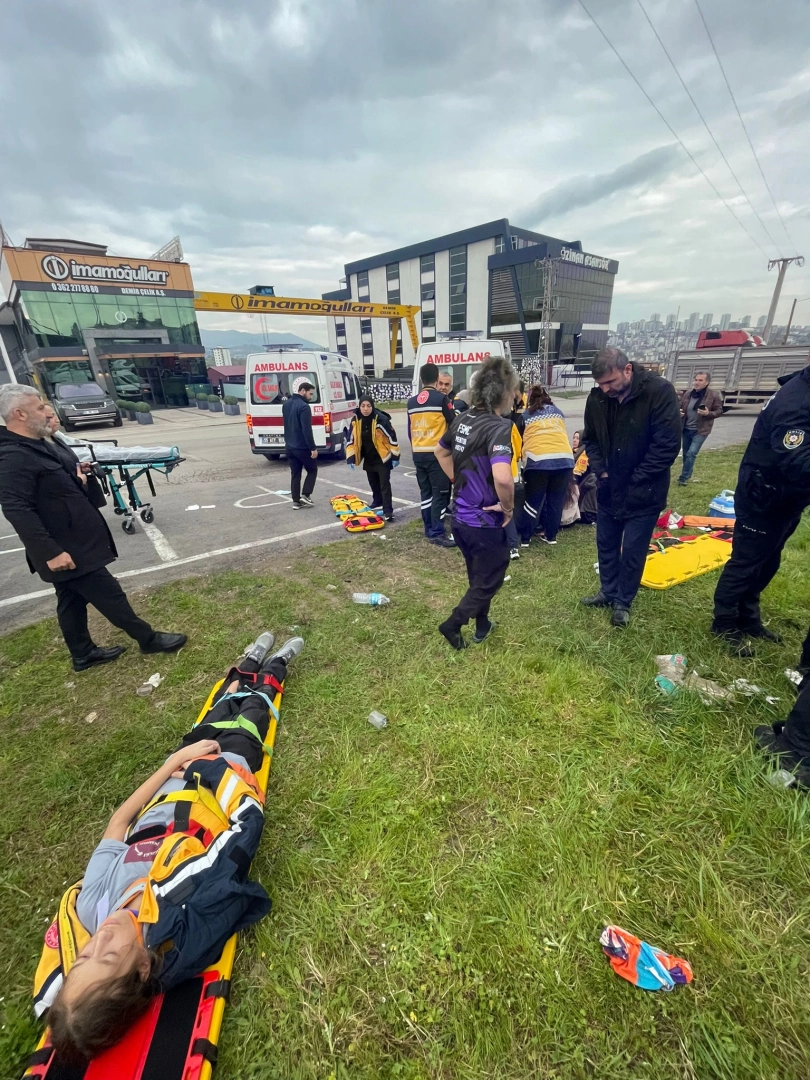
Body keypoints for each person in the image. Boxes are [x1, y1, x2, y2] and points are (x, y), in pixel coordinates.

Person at [35, 631, 305, 1063]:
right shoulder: (179, 916)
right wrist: (211, 772)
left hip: (177, 775)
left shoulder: (93, 905)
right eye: (109, 956)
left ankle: (251, 657)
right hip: (221, 779)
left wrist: (172, 765)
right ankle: (277, 666)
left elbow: (119, 823)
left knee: (222, 704)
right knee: (252, 710)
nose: (101, 937)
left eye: (85, 954)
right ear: (142, 968)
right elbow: (236, 837)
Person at [0, 385, 186, 672]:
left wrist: (77, 477)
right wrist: (50, 552)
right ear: (19, 414)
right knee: (109, 593)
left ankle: (83, 654)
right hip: (66, 547)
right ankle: (147, 639)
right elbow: (17, 509)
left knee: (70, 600)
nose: (47, 412)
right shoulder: (14, 456)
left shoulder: (37, 444)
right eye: (39, 408)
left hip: (73, 539)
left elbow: (50, 489)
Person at [711, 365, 810, 654]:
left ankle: (748, 617)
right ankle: (724, 623)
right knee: (745, 564)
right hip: (763, 497)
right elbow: (797, 459)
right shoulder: (796, 401)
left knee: (768, 562)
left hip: (787, 498)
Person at [580, 348, 681, 627]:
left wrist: (635, 478)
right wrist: (601, 471)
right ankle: (608, 591)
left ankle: (623, 601)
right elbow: (591, 440)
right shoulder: (598, 398)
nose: (605, 388)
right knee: (606, 544)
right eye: (600, 383)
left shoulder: (659, 392)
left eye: (610, 382)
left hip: (644, 491)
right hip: (608, 487)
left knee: (634, 550)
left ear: (627, 370)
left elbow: (667, 445)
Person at [434, 355, 517, 649]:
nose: (515, 397)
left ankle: (483, 624)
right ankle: (453, 623)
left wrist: (457, 480)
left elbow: (440, 451)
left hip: (459, 518)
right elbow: (503, 478)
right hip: (483, 520)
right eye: (513, 391)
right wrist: (508, 508)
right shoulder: (499, 427)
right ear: (504, 393)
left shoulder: (462, 418)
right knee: (491, 577)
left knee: (478, 575)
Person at [518, 386, 575, 548]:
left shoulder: (525, 416)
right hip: (564, 460)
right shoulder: (558, 413)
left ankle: (525, 539)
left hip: (538, 461)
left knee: (533, 501)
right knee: (555, 501)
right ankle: (551, 536)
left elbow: (518, 439)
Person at [407, 362, 456, 547]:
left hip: (418, 453)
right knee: (440, 494)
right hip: (437, 454)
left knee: (426, 493)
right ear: (437, 379)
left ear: (421, 379)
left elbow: (410, 430)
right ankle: (437, 532)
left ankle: (428, 528)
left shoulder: (411, 402)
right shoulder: (442, 399)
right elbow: (454, 424)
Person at [346, 393, 400, 521]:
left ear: (372, 406)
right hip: (369, 456)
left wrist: (395, 457)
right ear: (359, 407)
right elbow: (351, 439)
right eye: (363, 406)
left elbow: (392, 438)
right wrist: (350, 458)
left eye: (368, 406)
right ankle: (377, 501)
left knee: (384, 484)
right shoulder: (355, 420)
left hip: (383, 457)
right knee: (373, 482)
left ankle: (388, 511)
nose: (366, 409)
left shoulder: (381, 420)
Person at [677, 372, 723, 485]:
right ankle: (687, 473)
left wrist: (708, 413)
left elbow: (719, 411)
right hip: (686, 428)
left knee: (691, 453)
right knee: (686, 453)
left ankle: (683, 478)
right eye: (696, 380)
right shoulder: (688, 394)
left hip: (701, 430)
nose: (697, 382)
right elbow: (680, 406)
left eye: (700, 380)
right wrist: (679, 412)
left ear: (707, 382)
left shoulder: (713, 395)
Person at [281, 381, 318, 508]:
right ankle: (306, 495)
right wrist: (313, 448)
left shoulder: (286, 404)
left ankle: (296, 501)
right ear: (302, 391)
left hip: (289, 446)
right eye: (310, 394)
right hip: (302, 447)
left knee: (295, 474)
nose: (311, 397)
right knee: (312, 470)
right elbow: (306, 429)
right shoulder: (304, 407)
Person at [572, 430, 598, 524]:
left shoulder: (584, 455)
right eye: (574, 438)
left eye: (578, 438)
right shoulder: (576, 452)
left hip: (582, 487)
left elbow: (577, 475)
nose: (574, 440)